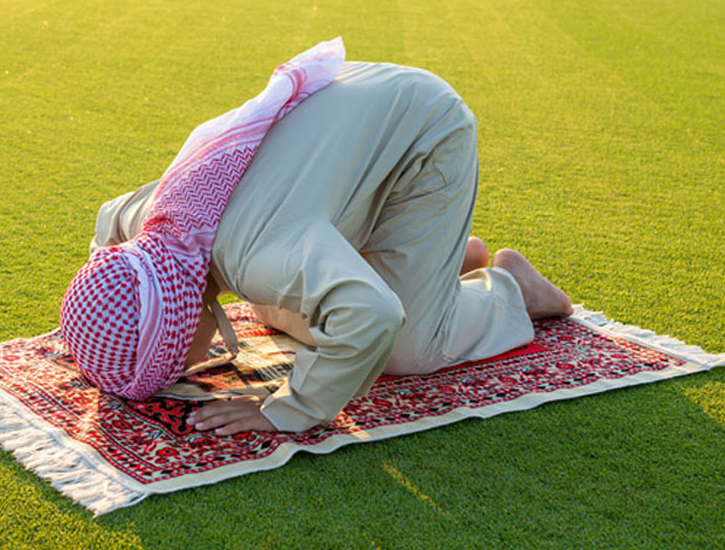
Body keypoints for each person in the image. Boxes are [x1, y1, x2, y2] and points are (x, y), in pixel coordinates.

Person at [63, 46, 573, 436]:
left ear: (179, 323)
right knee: (280, 305)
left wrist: (287, 408)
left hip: (422, 131)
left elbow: (373, 315)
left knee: (402, 350)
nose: (190, 368)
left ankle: (511, 288)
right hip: (354, 112)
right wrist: (103, 309)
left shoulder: (260, 258)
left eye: (176, 361)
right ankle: (445, 265)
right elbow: (108, 223)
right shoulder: (149, 227)